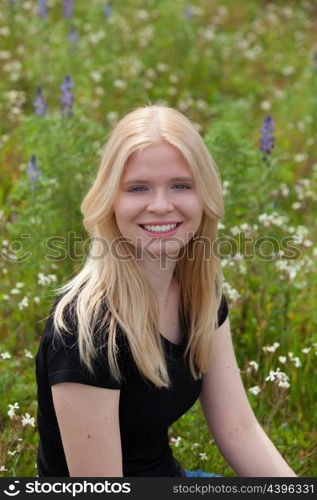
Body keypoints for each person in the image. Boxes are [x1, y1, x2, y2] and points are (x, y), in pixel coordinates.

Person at [35, 104, 297, 478]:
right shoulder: (86, 329)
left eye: (181, 185)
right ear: (110, 201)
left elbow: (241, 430)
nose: (160, 205)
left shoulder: (199, 295)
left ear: (204, 197)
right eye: (138, 188)